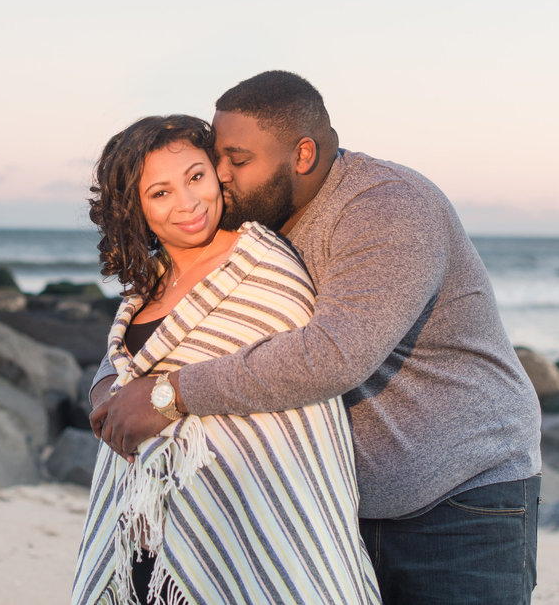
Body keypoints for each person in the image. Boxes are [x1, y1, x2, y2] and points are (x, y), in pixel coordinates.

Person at [90, 72, 543, 604]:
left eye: (236, 159)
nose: (220, 175)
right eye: (218, 157)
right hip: (346, 503)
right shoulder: (257, 217)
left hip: (459, 499)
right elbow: (169, 317)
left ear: (302, 155)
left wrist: (170, 395)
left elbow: (334, 354)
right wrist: (108, 387)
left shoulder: (386, 207)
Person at [71, 115, 379, 605]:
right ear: (137, 210)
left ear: (217, 173)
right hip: (146, 540)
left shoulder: (262, 267)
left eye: (196, 177)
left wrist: (164, 397)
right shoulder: (148, 285)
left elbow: (293, 393)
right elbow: (126, 369)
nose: (188, 203)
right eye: (161, 193)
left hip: (247, 533)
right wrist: (104, 390)